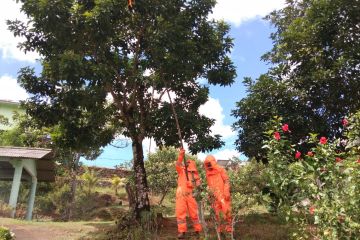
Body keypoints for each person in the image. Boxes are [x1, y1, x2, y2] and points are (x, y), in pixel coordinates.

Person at [175, 148, 202, 239]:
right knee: (180, 213)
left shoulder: (195, 175)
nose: (186, 164)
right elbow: (177, 165)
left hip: (191, 195)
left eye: (187, 164)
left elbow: (199, 186)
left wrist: (193, 184)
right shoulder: (181, 171)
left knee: (194, 213)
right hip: (181, 195)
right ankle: (182, 232)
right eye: (185, 164)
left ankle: (197, 230)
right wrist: (181, 155)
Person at [204, 155, 232, 234]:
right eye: (207, 164)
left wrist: (226, 191)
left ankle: (229, 227)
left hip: (223, 195)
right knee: (216, 212)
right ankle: (220, 228)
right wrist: (210, 195)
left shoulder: (221, 170)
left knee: (226, 210)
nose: (209, 166)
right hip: (214, 196)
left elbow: (226, 180)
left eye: (210, 163)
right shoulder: (208, 173)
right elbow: (209, 184)